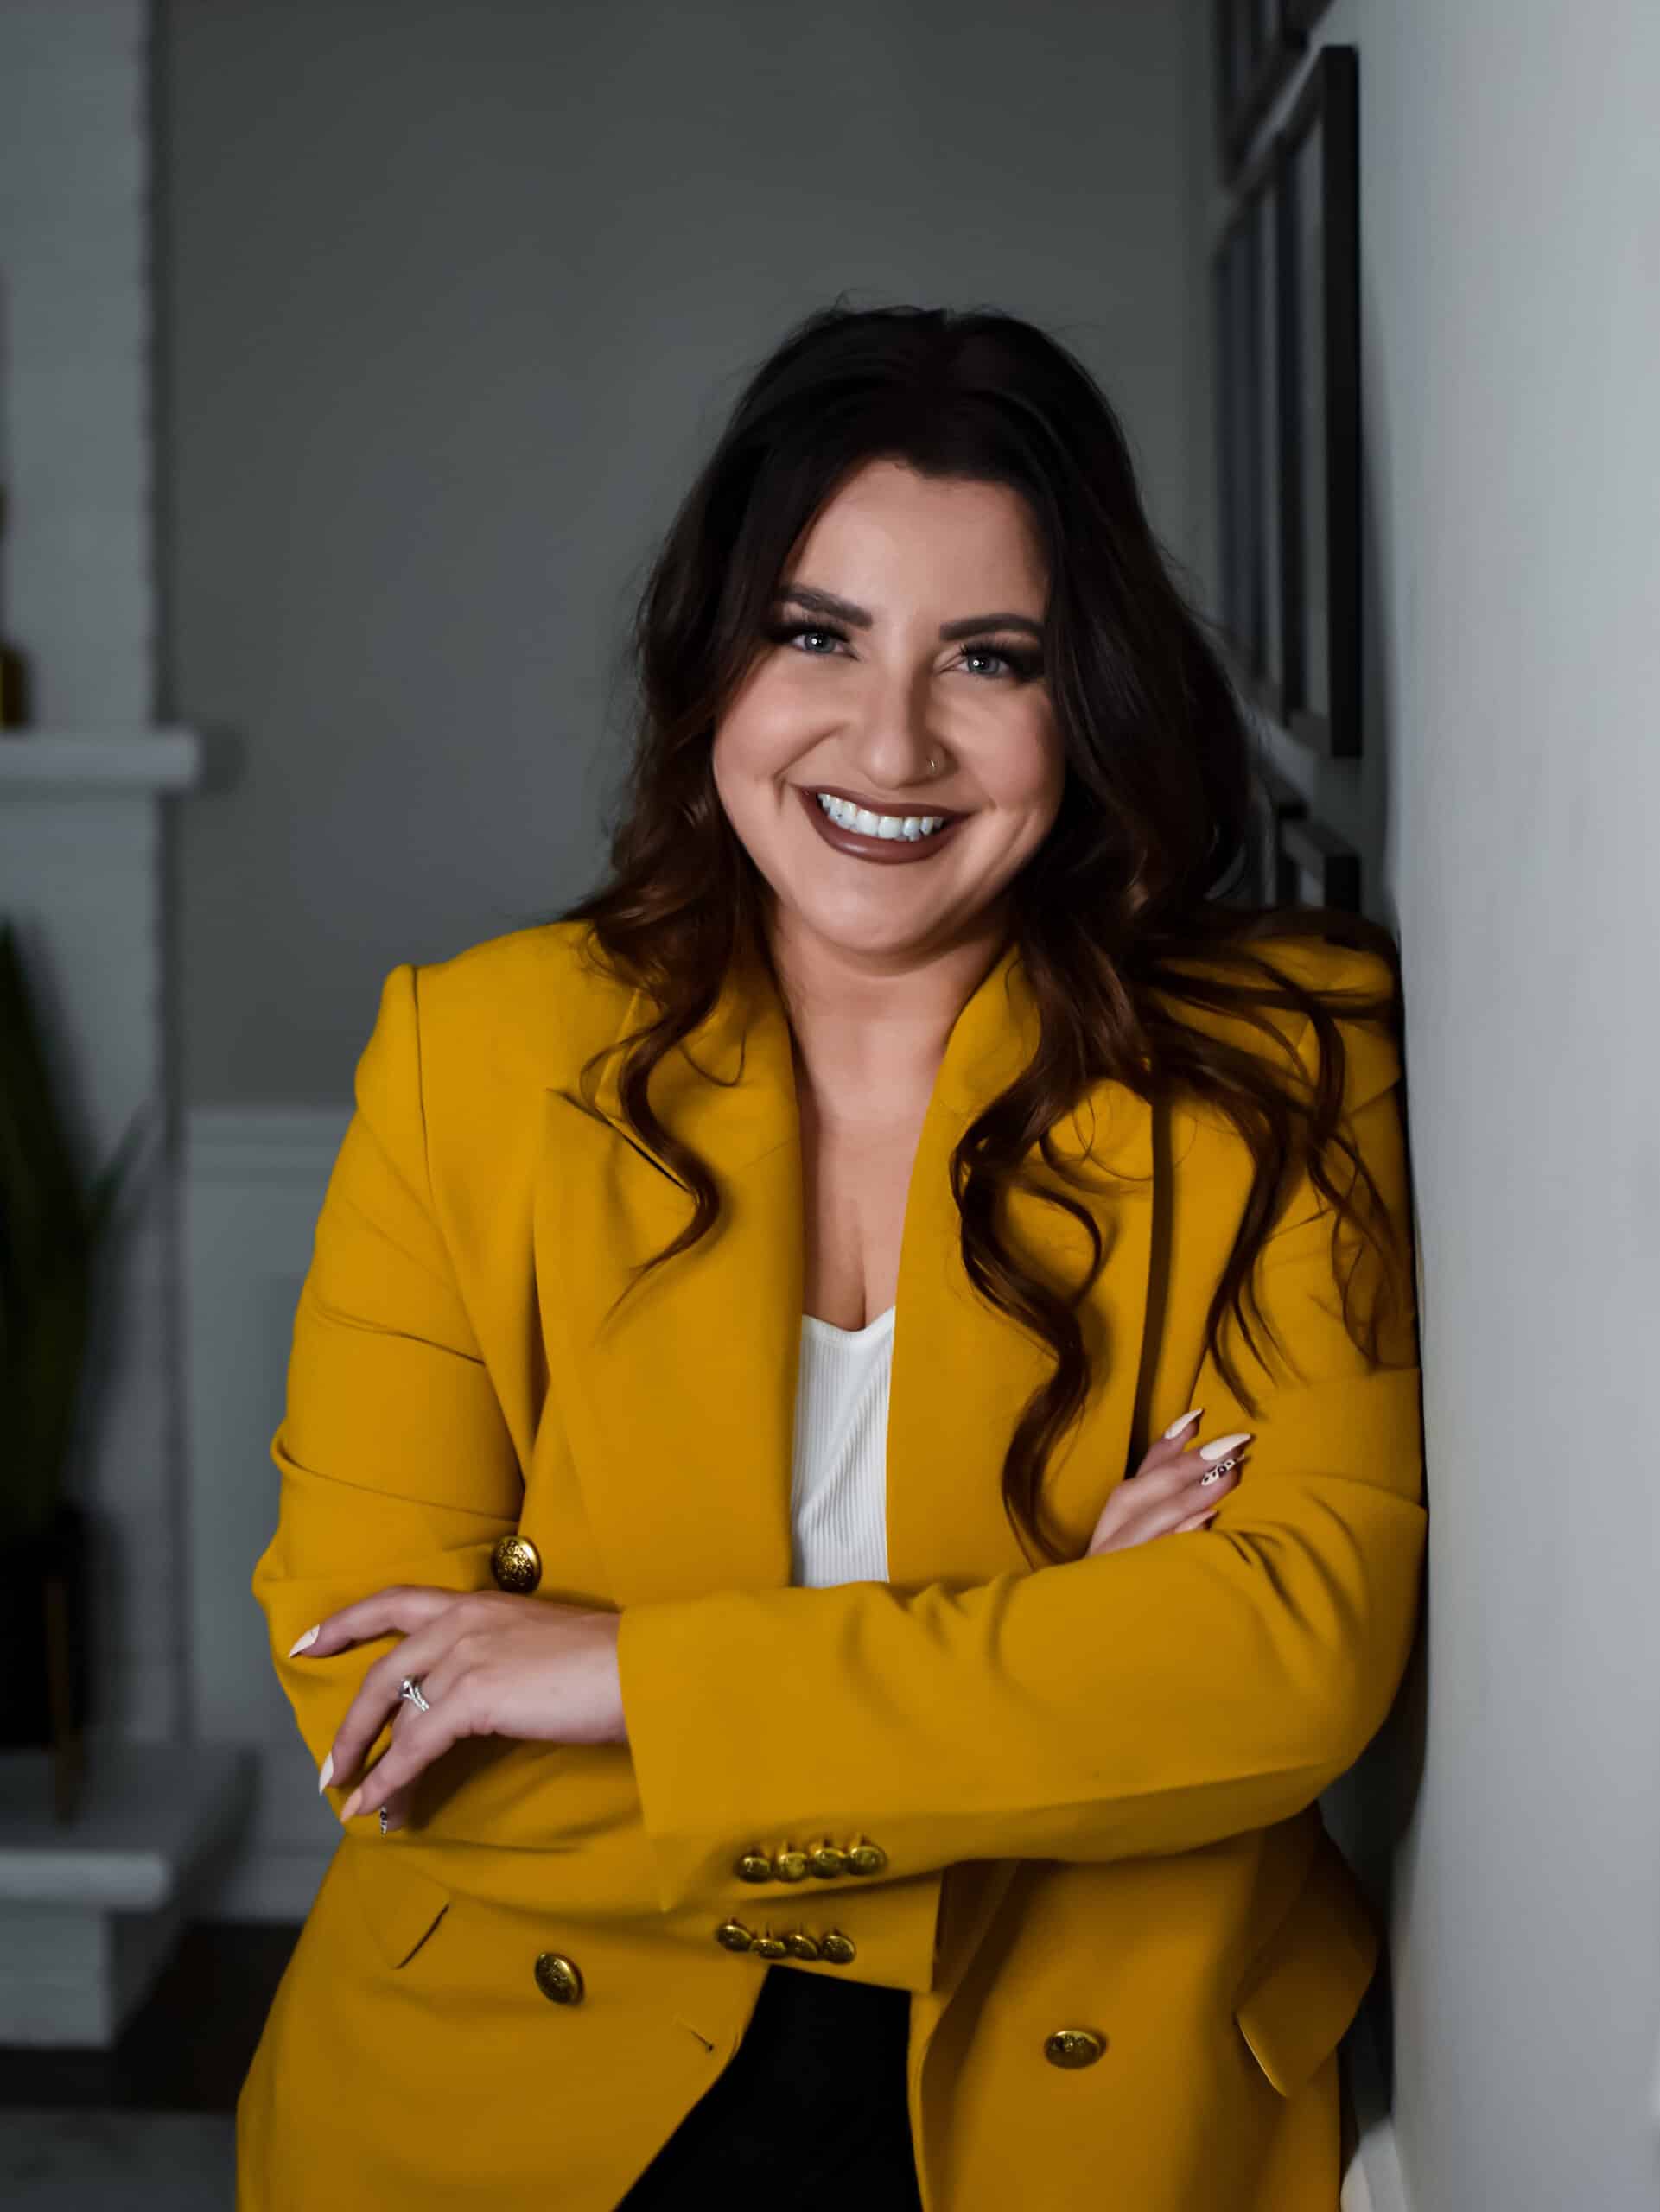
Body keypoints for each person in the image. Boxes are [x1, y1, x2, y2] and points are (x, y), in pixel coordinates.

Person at [237, 301, 1425, 2212]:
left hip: (1090, 2100)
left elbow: (1289, 1668)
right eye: (818, 633)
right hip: (506, 2105)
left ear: (1087, 695)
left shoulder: (1284, 1063)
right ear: (717, 657)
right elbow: (381, 1722)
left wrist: (623, 1676)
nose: (892, 740)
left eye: (990, 658)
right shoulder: (478, 1055)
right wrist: (1058, 1677)